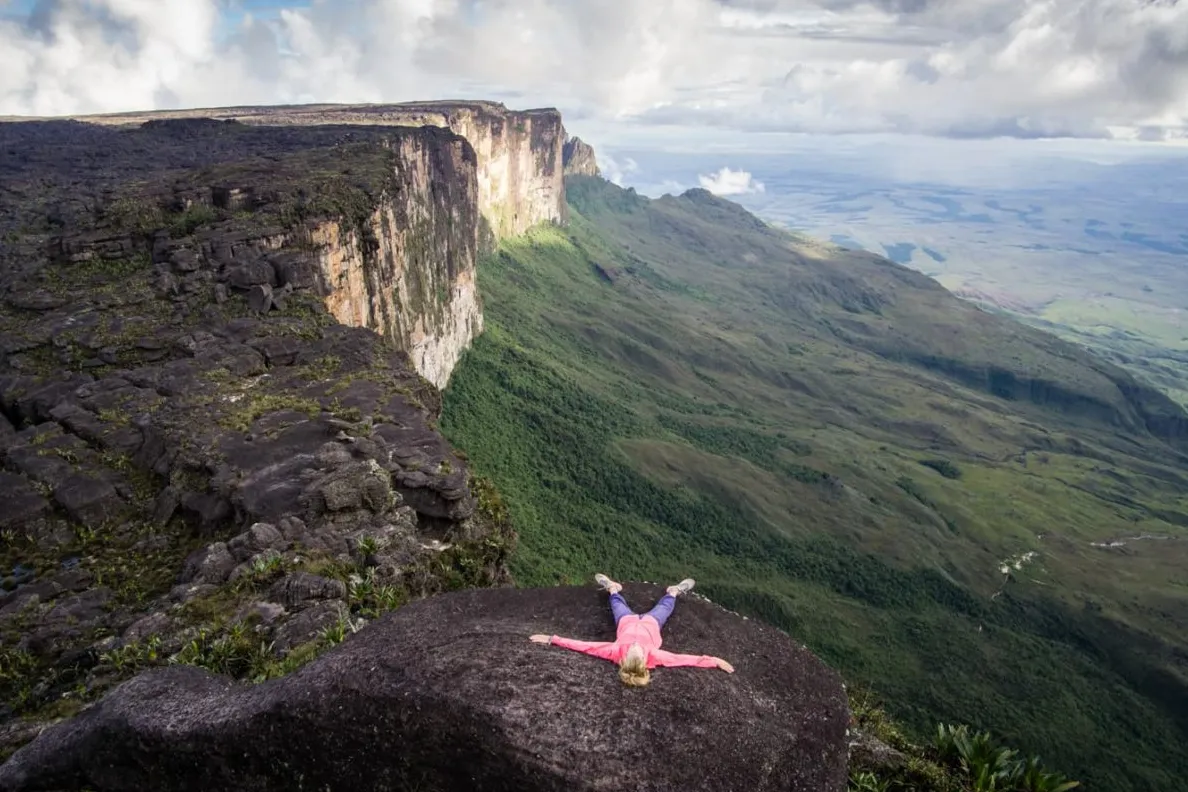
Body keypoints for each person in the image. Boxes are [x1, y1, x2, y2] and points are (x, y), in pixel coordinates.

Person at [529, 573, 735, 687]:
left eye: (631, 651)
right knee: (666, 605)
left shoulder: (614, 652)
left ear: (624, 658)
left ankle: (612, 587)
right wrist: (713, 661)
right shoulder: (654, 655)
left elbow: (584, 646)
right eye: (636, 651)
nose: (635, 646)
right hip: (652, 623)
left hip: (626, 622)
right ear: (645, 662)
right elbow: (684, 659)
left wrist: (552, 638)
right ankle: (675, 590)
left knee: (615, 600)